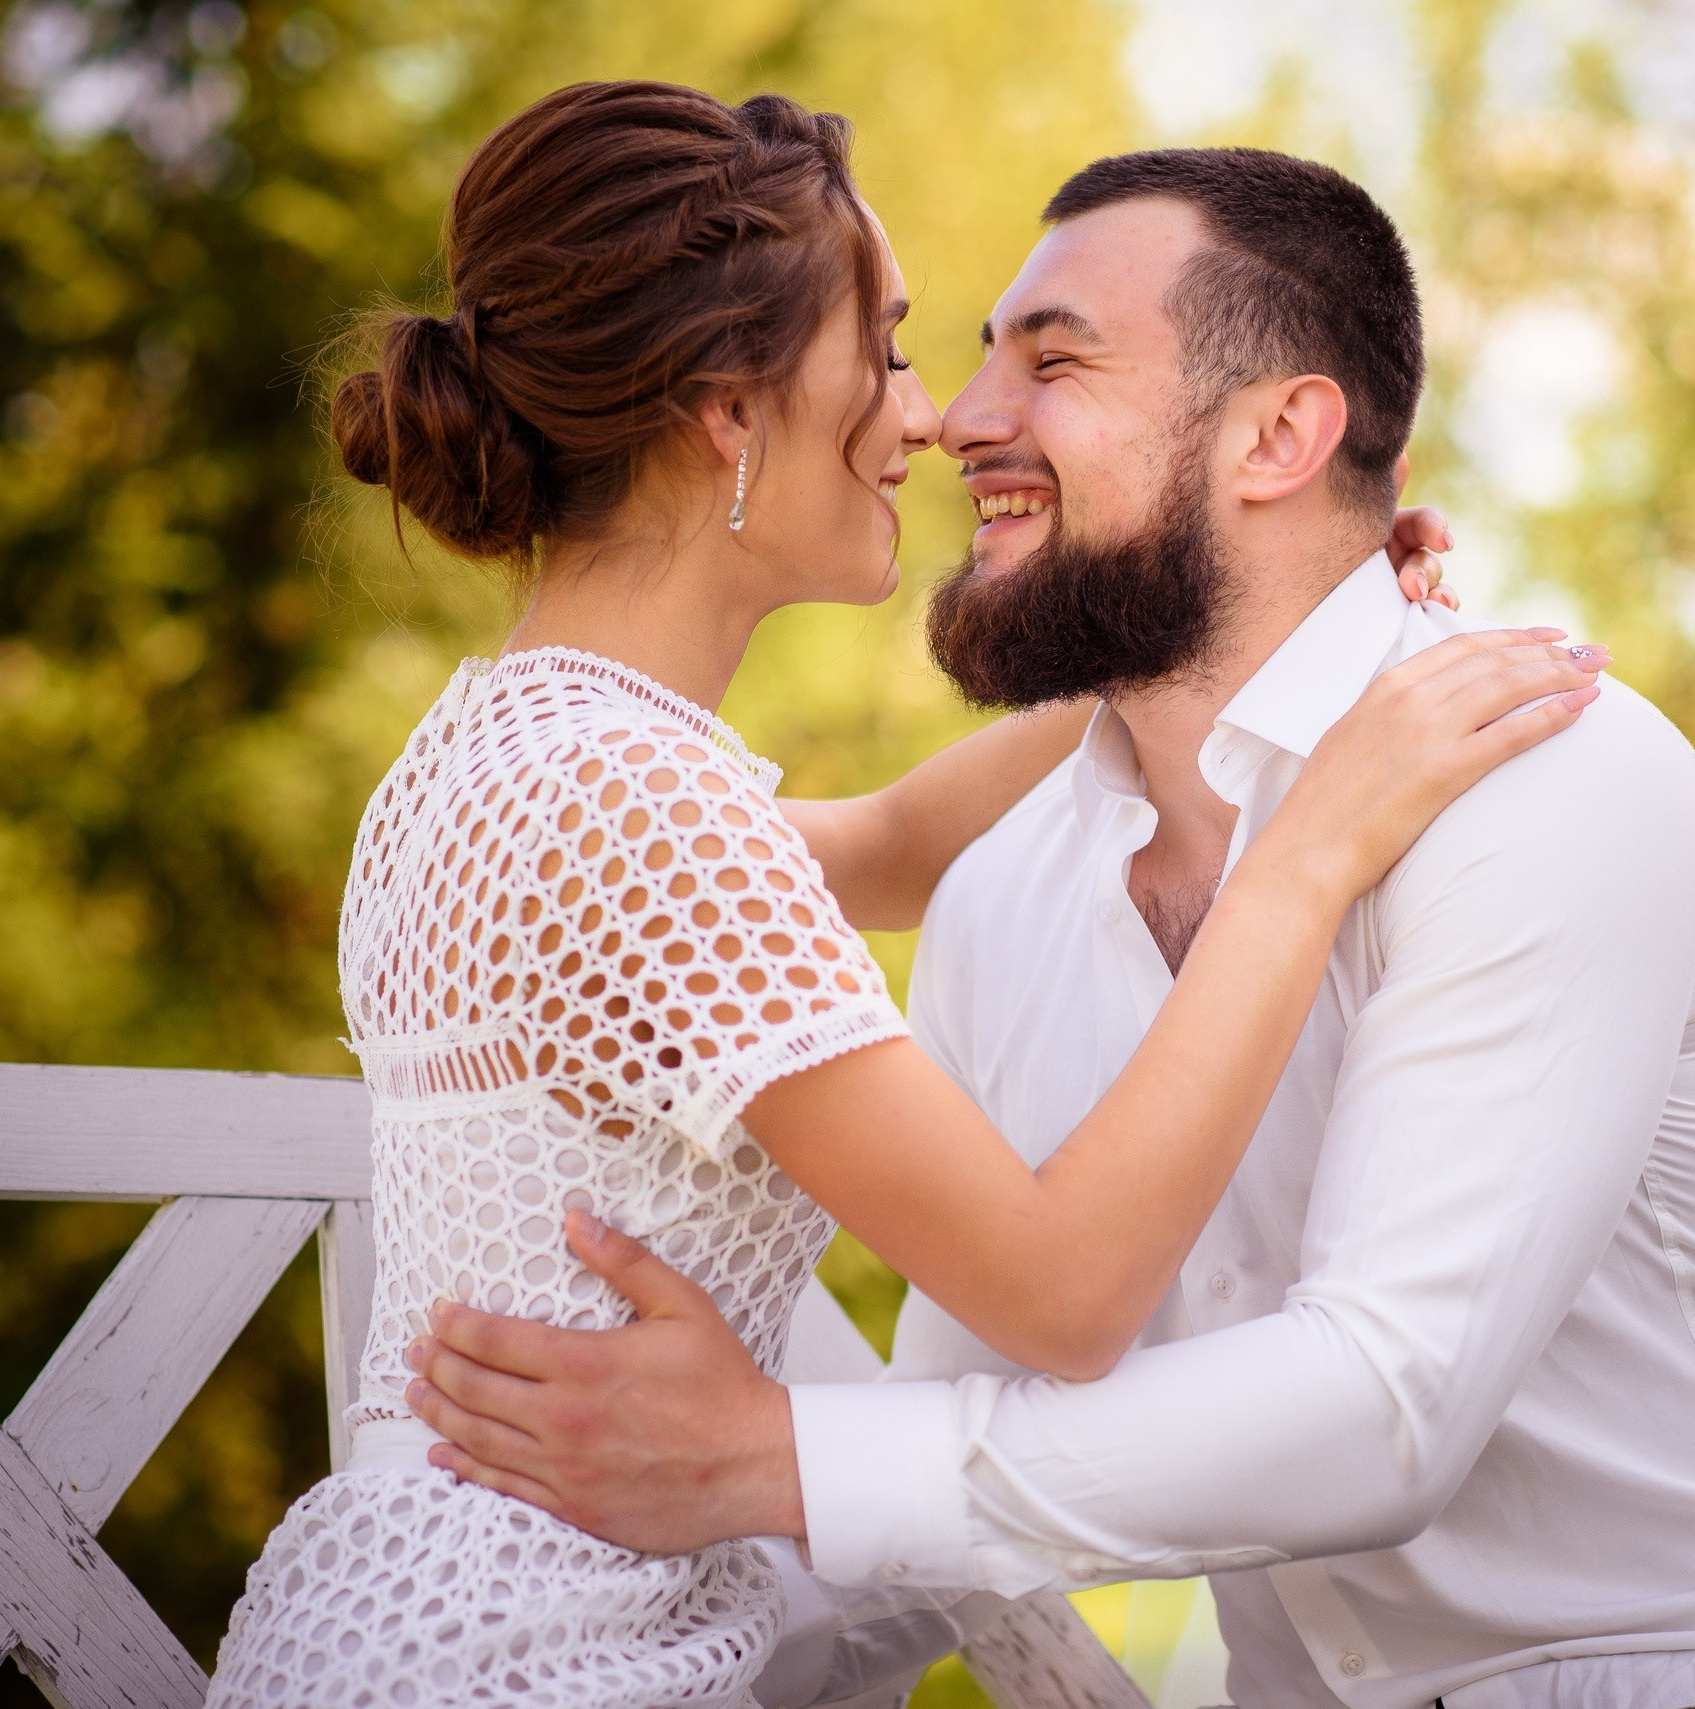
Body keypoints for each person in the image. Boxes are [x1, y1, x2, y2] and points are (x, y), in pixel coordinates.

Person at [402, 148, 1695, 1709]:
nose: (959, 420)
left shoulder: (1549, 774)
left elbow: (1383, 1408)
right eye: (945, 357)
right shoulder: (999, 886)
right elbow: (956, 1439)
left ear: (1283, 432)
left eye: (1056, 360)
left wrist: (769, 1458)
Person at [203, 85, 1602, 1709]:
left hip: (446, 1610)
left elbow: (890, 846)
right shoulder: (631, 803)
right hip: (528, 1651)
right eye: (884, 350)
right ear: (730, 411)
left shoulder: (518, 760)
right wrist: (1307, 851)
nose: (929, 414)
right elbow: (1066, 1292)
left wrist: (1293, 606)